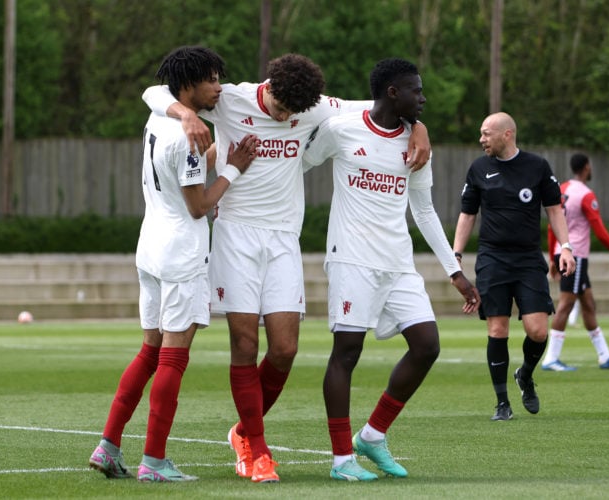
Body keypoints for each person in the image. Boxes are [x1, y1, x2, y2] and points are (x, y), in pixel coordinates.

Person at [143, 53, 432, 483]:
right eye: (280, 108)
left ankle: (242, 432)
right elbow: (153, 92)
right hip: (236, 234)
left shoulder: (312, 105)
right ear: (268, 86)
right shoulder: (230, 99)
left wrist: (419, 128)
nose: (285, 117)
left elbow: (373, 106)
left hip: (283, 239)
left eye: (293, 114)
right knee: (244, 345)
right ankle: (255, 450)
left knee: (284, 349)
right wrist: (186, 116)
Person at [302, 57, 480, 481]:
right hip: (352, 258)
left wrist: (454, 271)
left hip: (398, 263)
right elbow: (299, 163)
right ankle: (342, 459)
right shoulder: (341, 128)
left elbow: (424, 209)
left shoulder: (416, 143)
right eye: (416, 90)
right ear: (393, 93)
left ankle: (373, 435)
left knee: (427, 345)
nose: (424, 98)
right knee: (347, 353)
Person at [88, 46, 257, 482]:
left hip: (150, 247)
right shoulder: (187, 135)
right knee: (172, 359)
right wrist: (234, 168)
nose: (219, 87)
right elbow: (199, 205)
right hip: (182, 254)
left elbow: (155, 99)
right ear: (188, 85)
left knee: (149, 352)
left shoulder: (160, 117)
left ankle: (108, 446)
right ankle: (154, 461)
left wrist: (213, 151)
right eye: (212, 79)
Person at [452, 112, 576, 421]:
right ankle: (502, 404)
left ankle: (525, 375)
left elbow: (554, 210)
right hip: (492, 259)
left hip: (528, 259)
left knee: (537, 331)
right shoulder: (478, 169)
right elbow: (467, 215)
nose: (481, 140)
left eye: (486, 133)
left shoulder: (537, 167)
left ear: (507, 134)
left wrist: (566, 247)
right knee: (498, 328)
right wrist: (455, 255)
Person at [541, 153, 609, 371]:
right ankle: (551, 358)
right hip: (575, 256)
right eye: (590, 166)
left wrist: (553, 255)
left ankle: (604, 356)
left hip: (561, 252)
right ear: (586, 168)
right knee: (566, 304)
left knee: (588, 304)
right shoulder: (586, 195)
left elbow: (553, 224)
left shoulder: (562, 189)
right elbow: (599, 231)